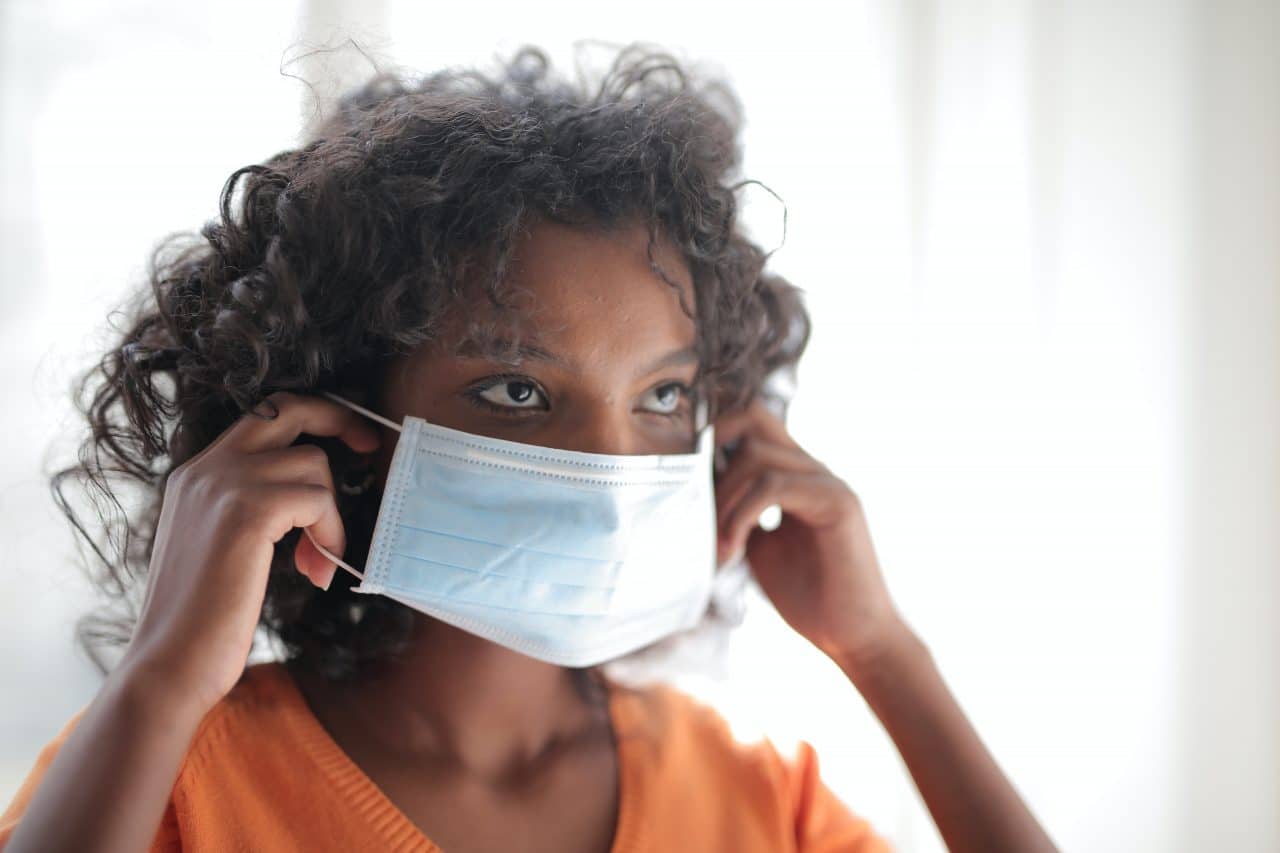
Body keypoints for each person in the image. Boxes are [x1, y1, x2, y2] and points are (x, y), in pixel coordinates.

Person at [0, 43, 1057, 852]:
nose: (610, 467)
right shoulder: (171, 778)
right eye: (517, 389)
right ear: (336, 420)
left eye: (662, 394)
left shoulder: (756, 802)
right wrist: (160, 678)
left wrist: (884, 655)